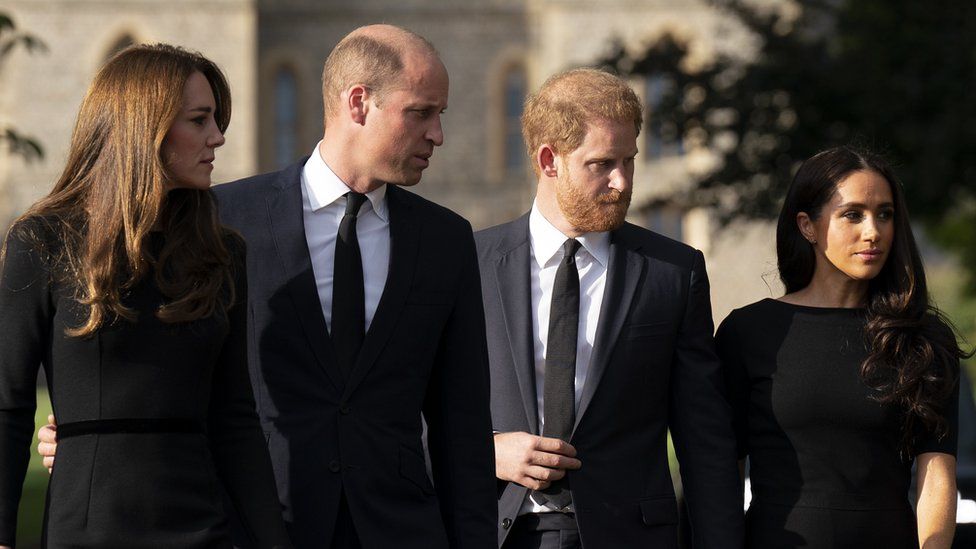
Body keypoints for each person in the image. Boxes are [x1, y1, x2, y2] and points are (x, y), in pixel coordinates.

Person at [35, 25, 497, 549]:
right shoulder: (220, 219)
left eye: (441, 115)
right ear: (358, 103)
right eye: (421, 112)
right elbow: (151, 364)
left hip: (401, 530)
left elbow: (462, 426)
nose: (438, 134)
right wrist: (87, 433)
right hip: (253, 525)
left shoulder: (446, 239)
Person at [0, 44, 291, 548]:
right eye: (199, 120)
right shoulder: (43, 241)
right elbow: (7, 404)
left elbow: (234, 420)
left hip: (204, 528)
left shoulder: (222, 254)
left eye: (216, 120)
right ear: (145, 128)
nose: (218, 137)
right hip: (87, 530)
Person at [476, 68, 743, 549]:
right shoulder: (470, 263)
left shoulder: (673, 272)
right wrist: (484, 451)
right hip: (493, 528)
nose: (622, 183)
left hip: (629, 535)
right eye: (602, 164)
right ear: (548, 160)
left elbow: (704, 437)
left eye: (630, 161)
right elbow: (409, 404)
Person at [716, 146, 965, 548]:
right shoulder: (748, 332)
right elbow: (722, 469)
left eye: (885, 214)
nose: (873, 231)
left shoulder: (923, 337)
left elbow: (936, 471)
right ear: (807, 226)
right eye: (853, 214)